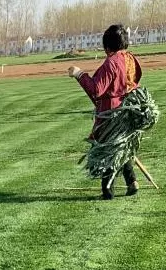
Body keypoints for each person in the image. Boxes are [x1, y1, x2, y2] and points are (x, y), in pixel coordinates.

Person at [68, 24, 142, 199]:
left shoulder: (112, 62)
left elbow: (96, 89)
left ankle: (107, 191)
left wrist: (79, 75)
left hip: (110, 113)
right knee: (121, 146)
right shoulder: (129, 58)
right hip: (124, 110)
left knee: (108, 150)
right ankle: (132, 181)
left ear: (107, 45)